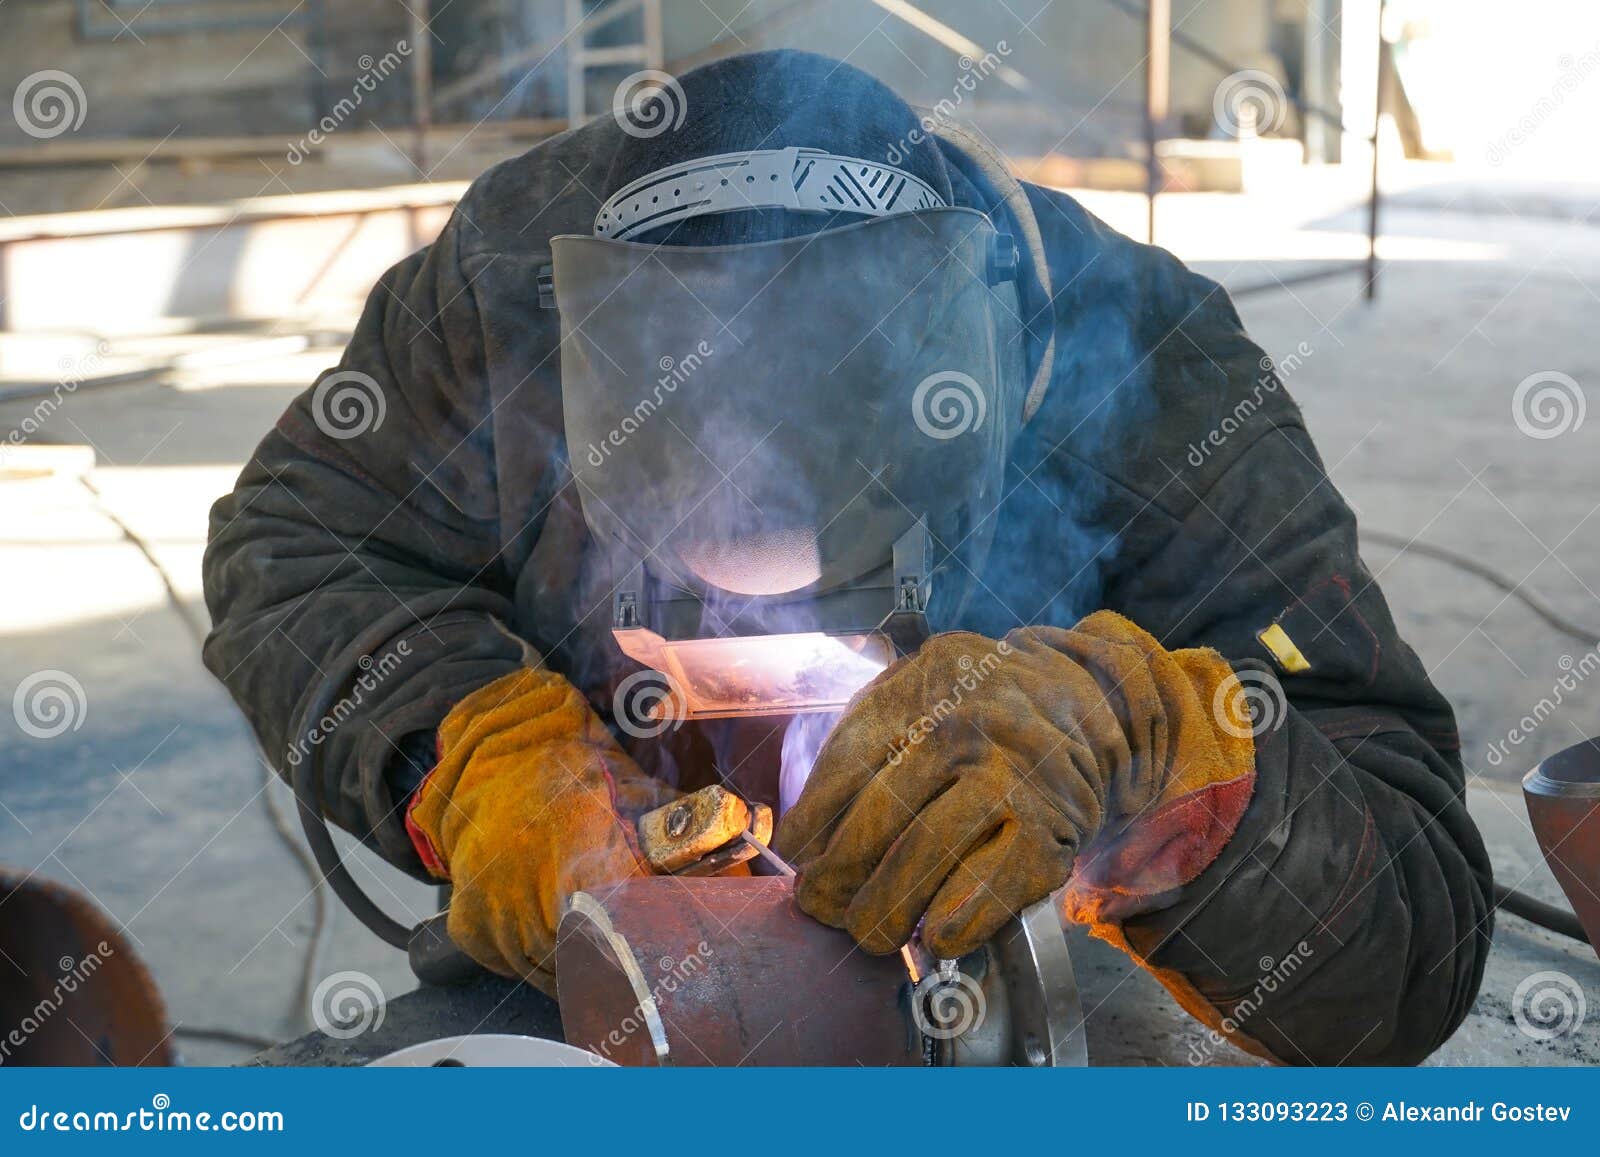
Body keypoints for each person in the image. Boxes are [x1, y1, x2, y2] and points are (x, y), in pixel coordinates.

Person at [202, 50, 1491, 1064]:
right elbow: (302, 545)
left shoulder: (1146, 366)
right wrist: (474, 757)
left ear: (979, 377)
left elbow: (1414, 947)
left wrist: (1156, 759)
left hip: (1026, 975)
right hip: (610, 964)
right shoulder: (498, 295)